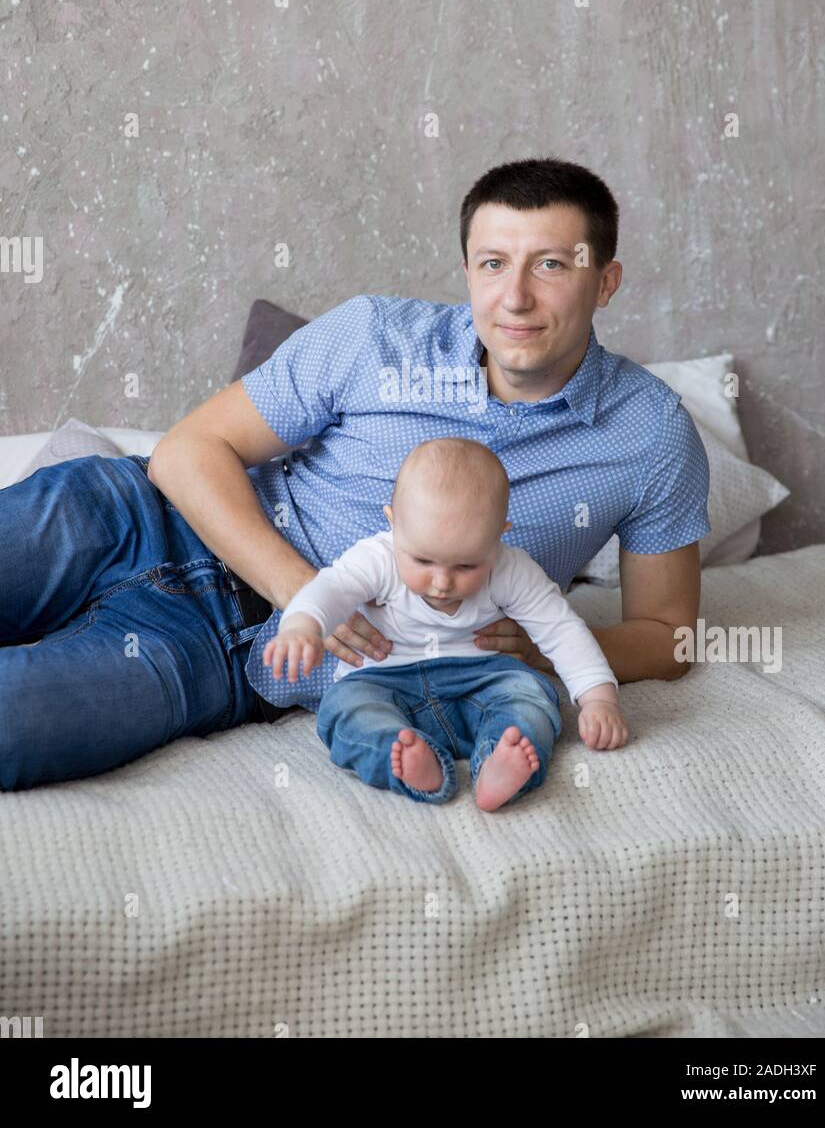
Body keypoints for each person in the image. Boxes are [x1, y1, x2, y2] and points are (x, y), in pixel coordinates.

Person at [0, 156, 708, 791]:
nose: (515, 297)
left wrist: (543, 653)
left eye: (551, 265)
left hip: (221, 653)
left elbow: (670, 633)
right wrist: (303, 591)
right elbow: (188, 451)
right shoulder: (374, 336)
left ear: (606, 281)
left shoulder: (650, 434)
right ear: (468, 271)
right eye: (493, 264)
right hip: (134, 518)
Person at [267, 437, 628, 811]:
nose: (442, 582)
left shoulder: (511, 568)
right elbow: (332, 587)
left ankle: (499, 762)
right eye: (423, 561)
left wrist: (598, 698)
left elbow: (560, 628)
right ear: (394, 522)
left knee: (530, 697)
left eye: (466, 566)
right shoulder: (378, 556)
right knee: (345, 709)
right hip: (382, 681)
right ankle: (407, 758)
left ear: (498, 536)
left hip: (482, 678)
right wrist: (303, 625)